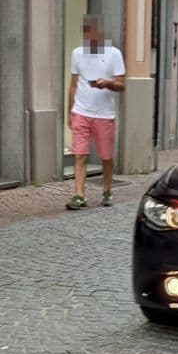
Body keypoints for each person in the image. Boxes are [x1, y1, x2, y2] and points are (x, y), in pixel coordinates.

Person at [66, 14, 126, 210]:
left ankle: (107, 191)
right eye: (86, 31)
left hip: (104, 114)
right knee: (80, 155)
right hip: (81, 112)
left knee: (106, 157)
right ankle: (79, 195)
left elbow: (121, 85)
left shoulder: (114, 53)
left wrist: (107, 83)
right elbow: (73, 85)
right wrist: (70, 111)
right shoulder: (77, 53)